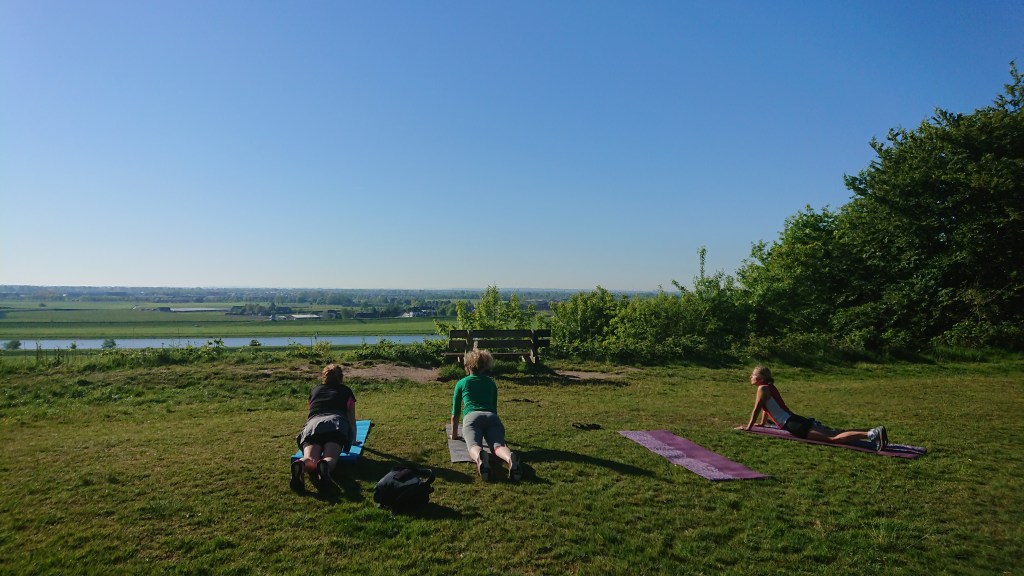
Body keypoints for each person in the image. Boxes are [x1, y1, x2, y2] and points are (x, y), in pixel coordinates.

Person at [736, 365, 889, 451]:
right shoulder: (769, 387)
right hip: (796, 419)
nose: (751, 377)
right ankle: (872, 432)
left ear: (761, 378)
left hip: (793, 424)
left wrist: (748, 427)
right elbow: (766, 408)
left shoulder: (762, 389)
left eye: (753, 375)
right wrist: (762, 424)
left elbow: (757, 409)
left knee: (832, 438)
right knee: (834, 432)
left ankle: (871, 433)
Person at [449, 349, 523, 481]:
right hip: (491, 417)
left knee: (473, 445)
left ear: (468, 366)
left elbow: (456, 413)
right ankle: (509, 457)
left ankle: (480, 458)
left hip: (472, 417)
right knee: (498, 445)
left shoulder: (461, 383)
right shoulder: (491, 383)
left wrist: (454, 435)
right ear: (485, 366)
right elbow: (494, 408)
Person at [291, 363, 358, 493]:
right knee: (331, 457)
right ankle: (325, 466)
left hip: (313, 426)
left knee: (310, 458)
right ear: (341, 377)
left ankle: (301, 464)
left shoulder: (315, 390)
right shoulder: (346, 391)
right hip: (336, 425)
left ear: (324, 376)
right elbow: (351, 419)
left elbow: (311, 412)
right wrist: (353, 439)